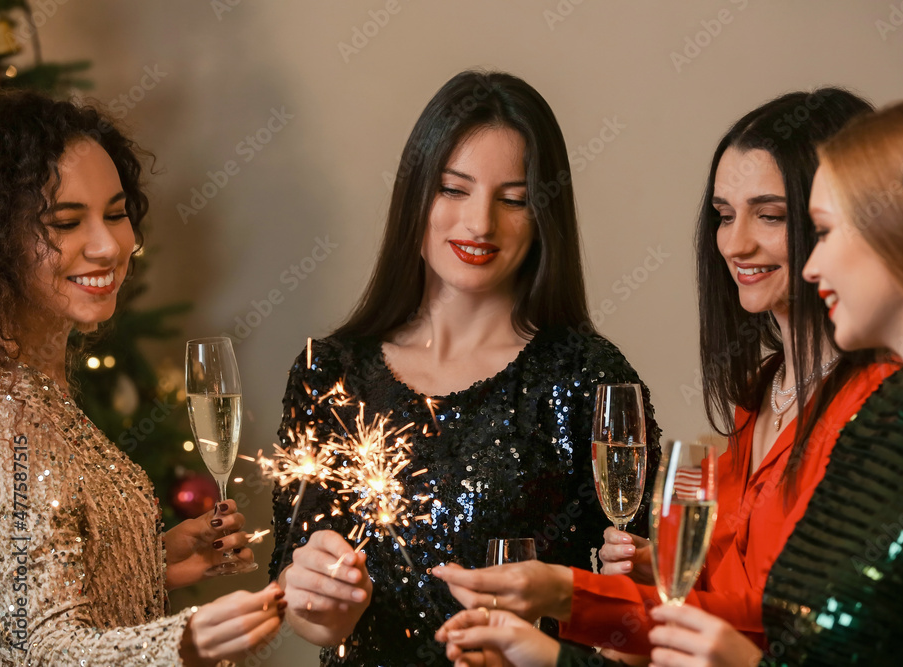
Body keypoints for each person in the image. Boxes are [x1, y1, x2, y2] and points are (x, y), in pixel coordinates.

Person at [434, 88, 900, 665]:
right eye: (725, 216)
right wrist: (652, 581)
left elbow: (798, 627)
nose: (735, 243)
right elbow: (711, 617)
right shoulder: (759, 394)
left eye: (771, 215)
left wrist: (567, 597)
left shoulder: (882, 406)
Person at [268, 69, 660, 666]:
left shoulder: (590, 379)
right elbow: (300, 606)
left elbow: (633, 627)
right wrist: (322, 604)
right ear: (415, 195)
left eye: (514, 200)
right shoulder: (330, 372)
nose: (480, 224)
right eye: (454, 190)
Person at [646, 99, 903, 666]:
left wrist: (581, 602)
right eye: (724, 214)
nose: (734, 244)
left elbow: (778, 628)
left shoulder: (902, 419)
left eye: (820, 229)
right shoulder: (773, 395)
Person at [0, 91, 284, 666]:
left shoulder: (39, 385)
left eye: (116, 213)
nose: (109, 246)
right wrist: (184, 642)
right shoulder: (9, 418)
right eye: (66, 221)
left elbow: (27, 592)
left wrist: (153, 562)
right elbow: (34, 647)